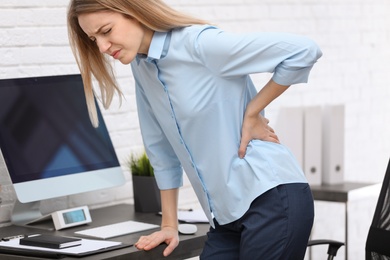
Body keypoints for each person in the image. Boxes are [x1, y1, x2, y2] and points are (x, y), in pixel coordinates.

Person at [67, 0, 322, 259]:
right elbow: (160, 147)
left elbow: (303, 51)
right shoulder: (142, 67)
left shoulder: (198, 43)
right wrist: (169, 224)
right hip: (224, 216)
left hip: (271, 198)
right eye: (93, 38)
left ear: (135, 12)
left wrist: (253, 111)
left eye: (106, 31)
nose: (101, 47)